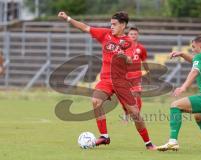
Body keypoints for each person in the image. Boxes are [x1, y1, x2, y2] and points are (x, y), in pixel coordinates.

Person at [58, 11, 156, 150]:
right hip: (106, 80)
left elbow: (129, 60)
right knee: (96, 101)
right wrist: (68, 18)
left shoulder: (128, 42)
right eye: (110, 24)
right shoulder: (105, 34)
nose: (111, 27)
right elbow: (85, 27)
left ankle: (148, 143)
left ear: (123, 25)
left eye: (114, 24)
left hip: (121, 82)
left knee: (135, 113)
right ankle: (104, 136)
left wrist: (123, 56)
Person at [157, 36, 201, 153]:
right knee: (199, 117)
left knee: (175, 105)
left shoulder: (200, 57)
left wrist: (183, 87)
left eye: (194, 47)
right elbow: (195, 60)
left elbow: (195, 71)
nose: (193, 50)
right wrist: (182, 54)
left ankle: (173, 141)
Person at [121, 26, 149, 123]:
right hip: (125, 75)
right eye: (131, 34)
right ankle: (126, 113)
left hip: (136, 76)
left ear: (138, 35)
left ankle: (137, 116)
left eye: (135, 34)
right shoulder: (124, 47)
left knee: (137, 95)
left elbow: (144, 60)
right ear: (128, 35)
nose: (133, 35)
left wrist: (147, 71)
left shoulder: (141, 48)